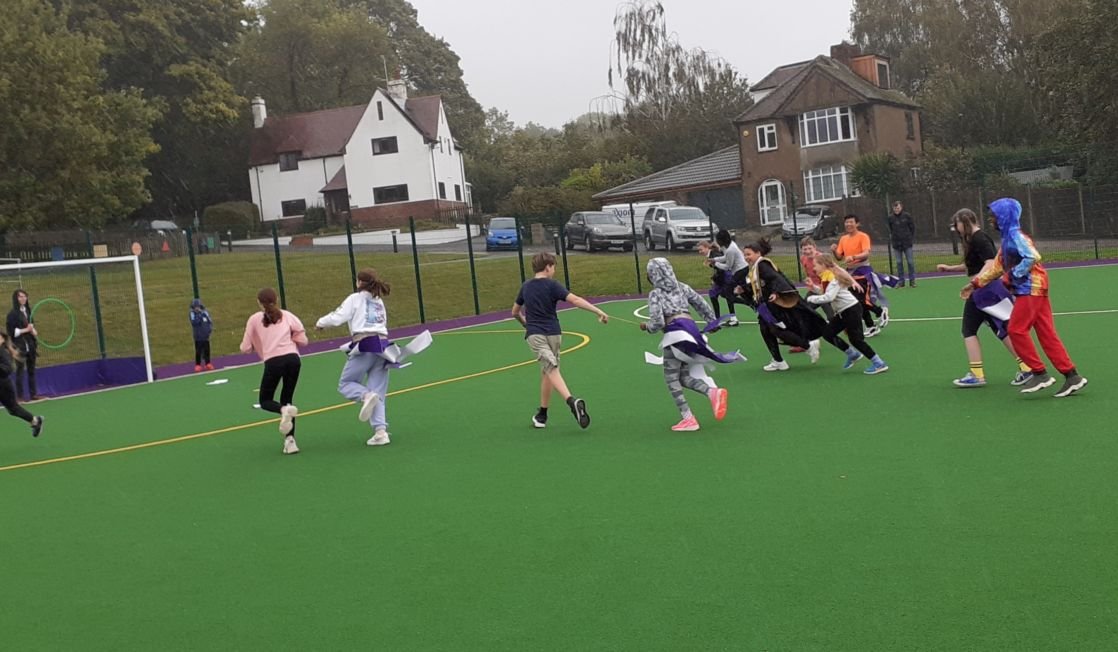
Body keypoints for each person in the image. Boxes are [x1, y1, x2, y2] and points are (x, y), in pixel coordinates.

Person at [965, 198, 1087, 397]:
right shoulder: (1007, 240)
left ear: (1004, 217)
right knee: (1046, 333)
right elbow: (996, 267)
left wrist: (1014, 275)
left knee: (1015, 329)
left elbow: (1033, 257)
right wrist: (975, 284)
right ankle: (1072, 376)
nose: (990, 220)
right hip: (1035, 289)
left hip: (1030, 289)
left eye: (993, 216)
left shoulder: (1015, 237)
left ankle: (1039, 373)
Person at [936, 208, 1033, 388]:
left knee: (969, 329)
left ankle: (977, 374)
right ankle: (1026, 366)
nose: (956, 228)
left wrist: (974, 284)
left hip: (985, 290)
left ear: (964, 221)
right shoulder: (975, 239)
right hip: (988, 289)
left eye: (956, 224)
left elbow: (990, 263)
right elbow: (974, 264)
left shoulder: (980, 238)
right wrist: (950, 268)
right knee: (1002, 330)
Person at [512, 252, 608, 429]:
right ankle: (542, 414)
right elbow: (576, 300)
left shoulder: (526, 286)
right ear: (548, 267)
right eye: (553, 266)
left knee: (551, 369)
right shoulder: (553, 285)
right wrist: (598, 311)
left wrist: (526, 324)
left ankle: (572, 402)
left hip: (536, 334)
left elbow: (515, 312)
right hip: (555, 334)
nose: (554, 270)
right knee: (548, 371)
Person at [640, 258, 737, 432]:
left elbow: (657, 322)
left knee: (671, 378)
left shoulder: (656, 294)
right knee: (682, 376)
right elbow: (700, 303)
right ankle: (712, 392)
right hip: (692, 332)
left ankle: (688, 418)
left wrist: (646, 327)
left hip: (675, 334)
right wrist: (711, 322)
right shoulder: (682, 286)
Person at [315, 268, 396, 446]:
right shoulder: (378, 301)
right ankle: (381, 432)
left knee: (346, 384)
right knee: (378, 392)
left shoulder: (355, 298)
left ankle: (365, 396)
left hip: (365, 345)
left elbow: (338, 317)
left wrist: (320, 323)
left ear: (359, 282)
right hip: (384, 348)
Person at [741, 238, 829, 371]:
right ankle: (779, 361)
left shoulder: (763, 265)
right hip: (766, 305)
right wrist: (744, 290)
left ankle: (808, 346)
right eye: (745, 254)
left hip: (774, 304)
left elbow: (776, 279)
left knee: (777, 331)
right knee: (766, 330)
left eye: (749, 254)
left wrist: (776, 292)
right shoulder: (755, 267)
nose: (746, 257)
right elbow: (761, 284)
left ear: (758, 253)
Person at [240, 288, 308, 454]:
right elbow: (303, 340)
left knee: (265, 401)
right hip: (293, 360)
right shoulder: (287, 315)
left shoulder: (254, 319)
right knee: (287, 398)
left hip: (274, 361)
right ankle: (290, 441)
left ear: (259, 302)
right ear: (276, 299)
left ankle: (282, 411)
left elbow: (245, 348)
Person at [805, 254, 890, 375]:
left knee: (856, 340)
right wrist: (813, 288)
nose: (814, 268)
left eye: (815, 265)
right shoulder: (827, 277)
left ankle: (879, 363)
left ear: (823, 265)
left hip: (852, 310)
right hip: (843, 312)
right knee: (828, 333)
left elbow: (829, 297)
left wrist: (810, 298)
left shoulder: (833, 278)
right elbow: (828, 292)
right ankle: (852, 354)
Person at [832, 215, 889, 335]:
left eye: (851, 222)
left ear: (857, 224)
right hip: (850, 274)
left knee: (861, 300)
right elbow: (839, 257)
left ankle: (880, 311)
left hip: (863, 272)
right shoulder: (843, 239)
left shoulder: (863, 236)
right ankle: (871, 326)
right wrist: (834, 250)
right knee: (856, 302)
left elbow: (866, 254)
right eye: (846, 222)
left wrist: (854, 257)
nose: (848, 225)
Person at [0, 331, 44, 436]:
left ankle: (35, 421)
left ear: (2, 339)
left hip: (3, 386)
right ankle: (35, 421)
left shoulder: (3, 352)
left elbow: (8, 369)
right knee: (13, 410)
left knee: (13, 409)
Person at [6, 289, 41, 401]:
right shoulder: (12, 314)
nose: (23, 299)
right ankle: (20, 397)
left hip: (31, 345)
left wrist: (33, 331)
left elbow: (31, 326)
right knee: (20, 370)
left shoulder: (28, 311)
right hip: (19, 346)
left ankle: (33, 394)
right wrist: (26, 329)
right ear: (16, 299)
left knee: (31, 370)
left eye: (24, 296)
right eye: (20, 297)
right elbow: (12, 332)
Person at [709, 229, 747, 326]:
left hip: (740, 271)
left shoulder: (730, 249)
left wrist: (715, 264)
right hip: (742, 269)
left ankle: (734, 319)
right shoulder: (729, 246)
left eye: (718, 240)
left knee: (728, 292)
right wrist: (715, 259)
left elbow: (727, 267)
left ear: (722, 240)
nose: (717, 242)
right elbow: (725, 258)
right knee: (744, 292)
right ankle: (752, 304)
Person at [697, 240, 733, 325]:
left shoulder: (715, 254)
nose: (700, 252)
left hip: (726, 277)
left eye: (701, 249)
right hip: (722, 277)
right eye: (699, 250)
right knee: (718, 295)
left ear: (707, 247)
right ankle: (718, 319)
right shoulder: (711, 255)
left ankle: (750, 304)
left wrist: (714, 279)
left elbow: (721, 268)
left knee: (727, 296)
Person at [888, 200, 917, 287]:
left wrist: (909, 238)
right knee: (899, 262)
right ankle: (901, 281)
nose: (896, 209)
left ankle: (912, 281)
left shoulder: (907, 216)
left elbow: (912, 228)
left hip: (907, 243)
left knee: (910, 262)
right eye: (895, 208)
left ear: (901, 207)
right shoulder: (890, 218)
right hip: (896, 244)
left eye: (898, 208)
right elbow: (890, 229)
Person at [189, 298, 214, 372]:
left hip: (205, 336)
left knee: (207, 350)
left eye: (198, 306)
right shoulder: (192, 314)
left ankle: (208, 363)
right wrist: (199, 315)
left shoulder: (205, 313)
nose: (197, 308)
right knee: (198, 351)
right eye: (195, 307)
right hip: (198, 336)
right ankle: (198, 365)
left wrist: (209, 330)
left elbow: (209, 321)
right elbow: (194, 322)